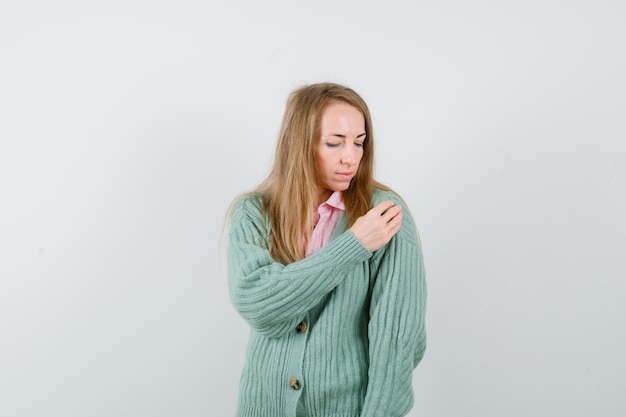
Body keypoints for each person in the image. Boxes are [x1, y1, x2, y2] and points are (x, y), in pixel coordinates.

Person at [226, 82, 426, 417]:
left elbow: (397, 341)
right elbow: (260, 306)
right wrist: (354, 245)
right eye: (335, 143)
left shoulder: (382, 214)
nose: (351, 157)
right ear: (300, 145)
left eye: (359, 143)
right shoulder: (254, 213)